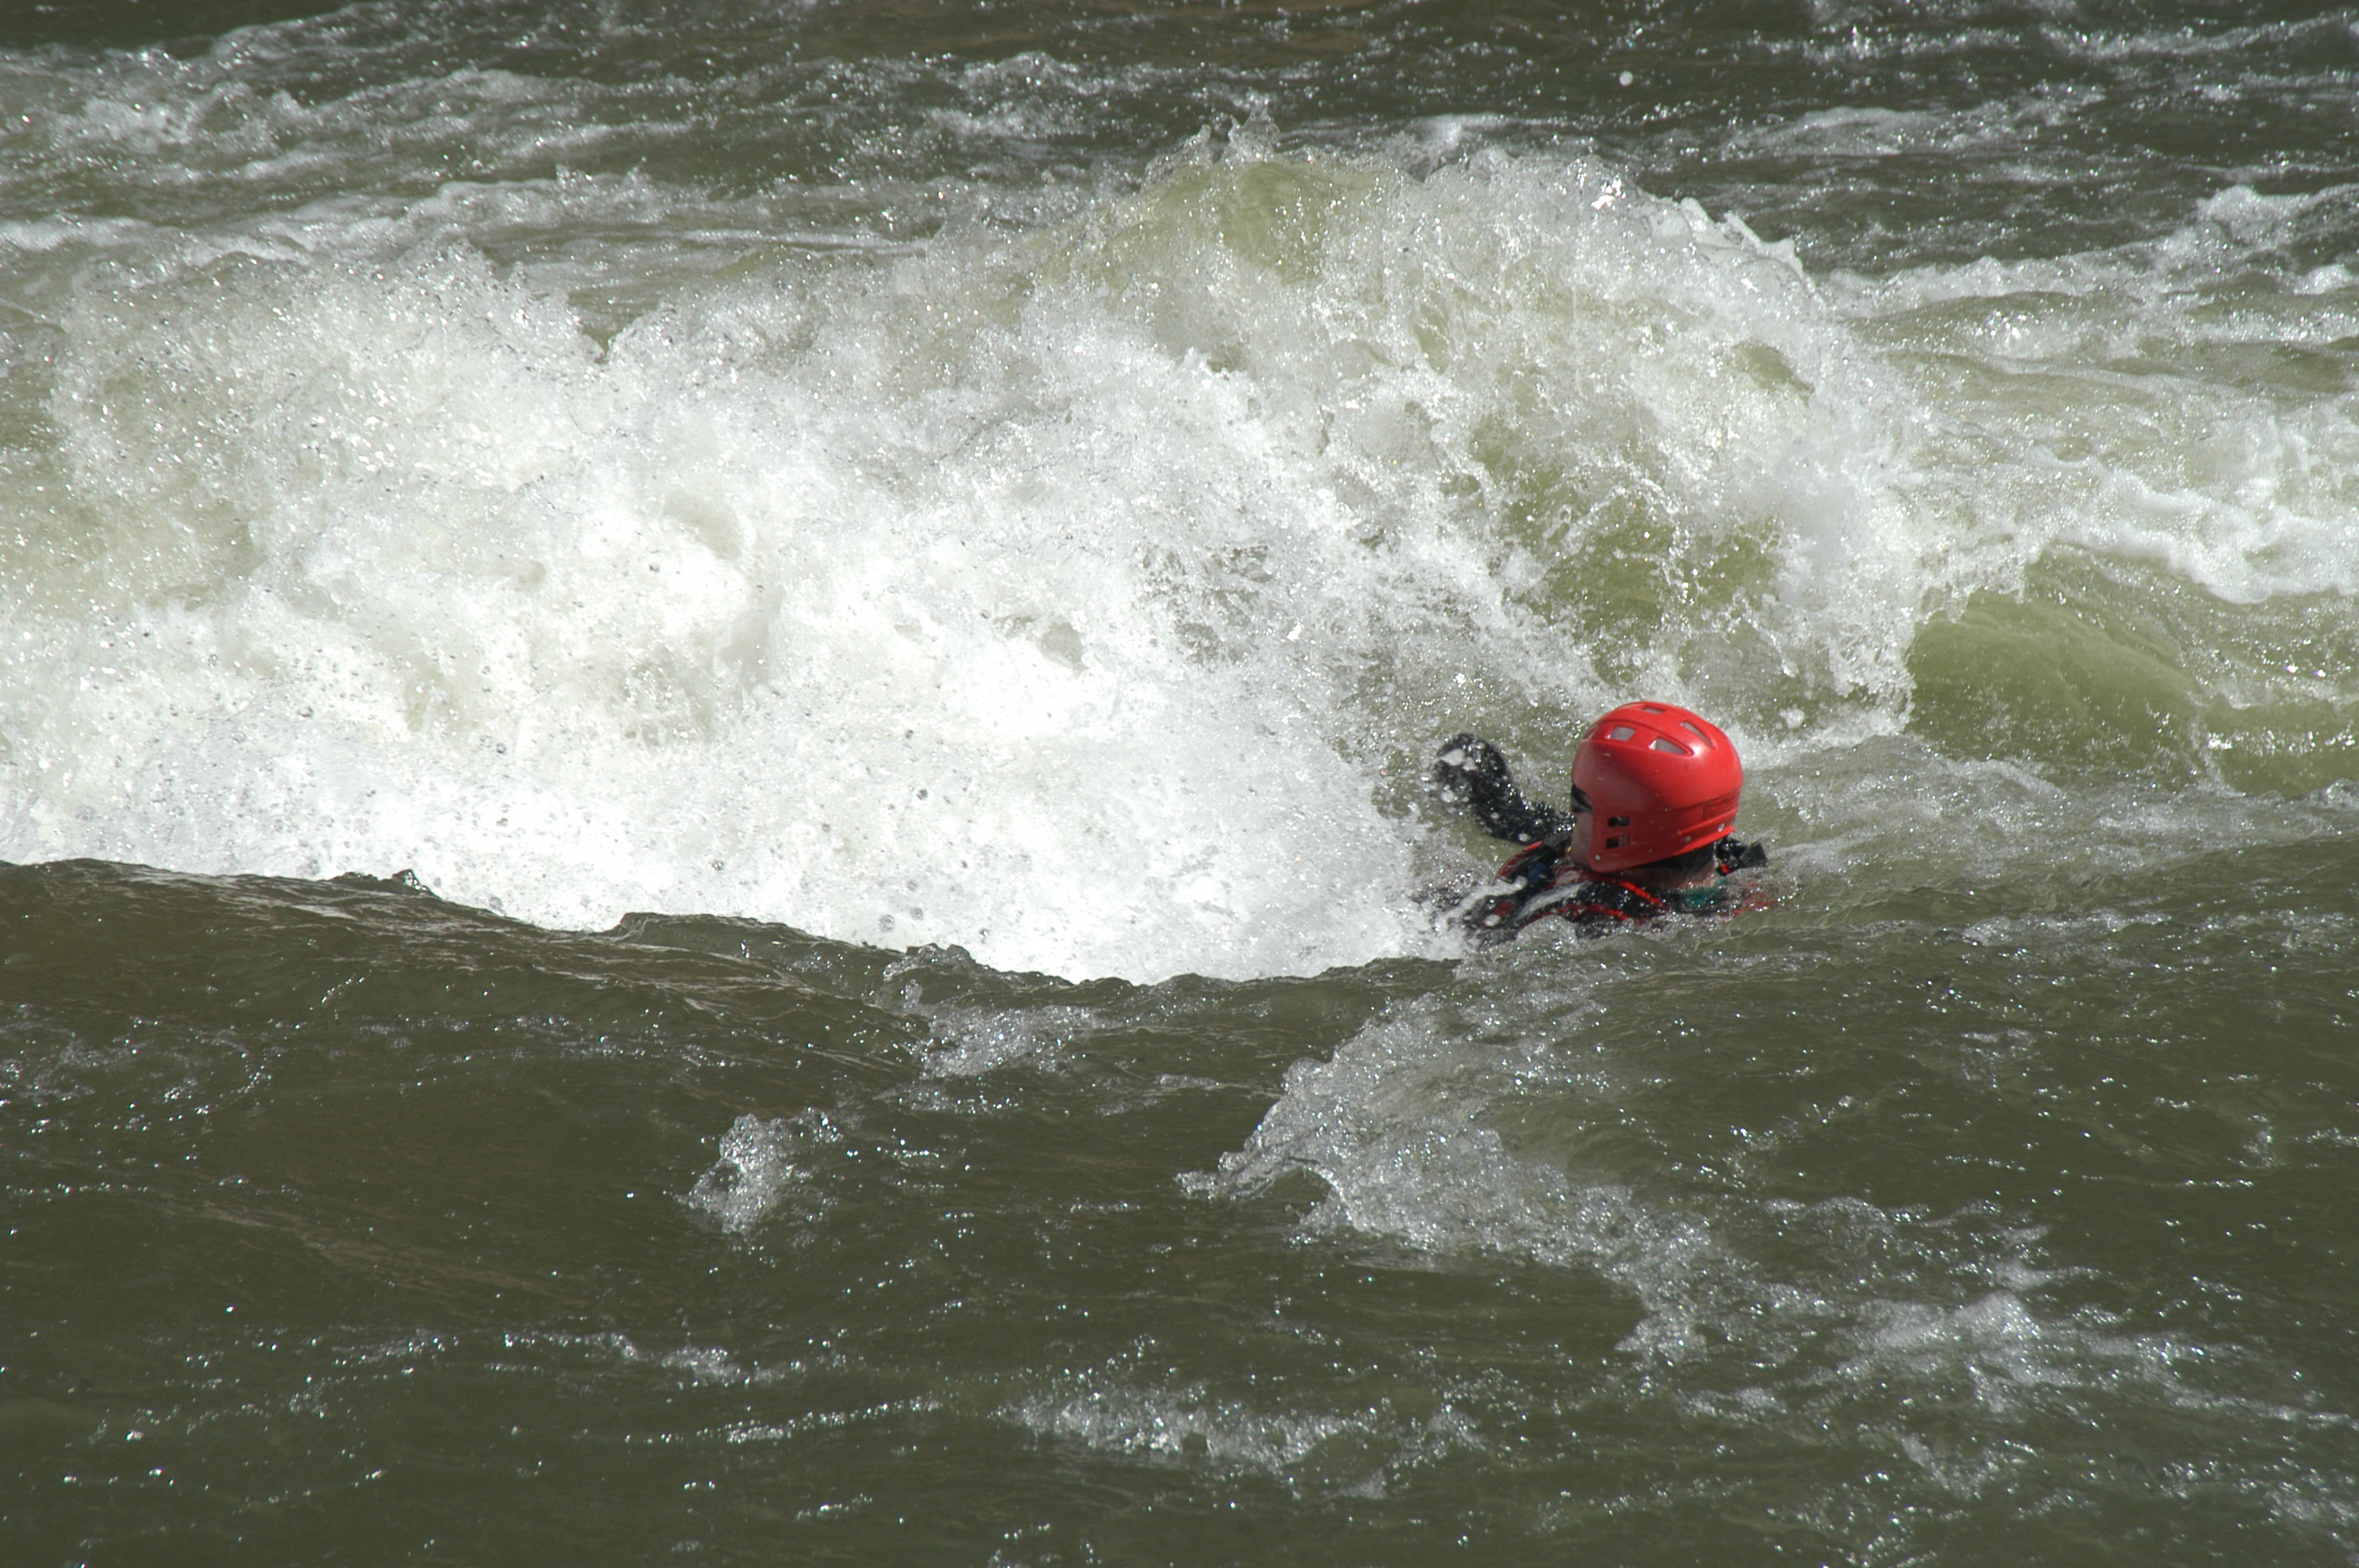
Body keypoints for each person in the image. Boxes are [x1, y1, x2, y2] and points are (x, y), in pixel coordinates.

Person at [1431, 701, 1768, 942]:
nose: (1573, 811)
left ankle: (1505, 815)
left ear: (1620, 835)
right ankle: (1507, 813)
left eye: (1579, 802)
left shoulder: (1590, 916)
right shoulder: (1733, 864)